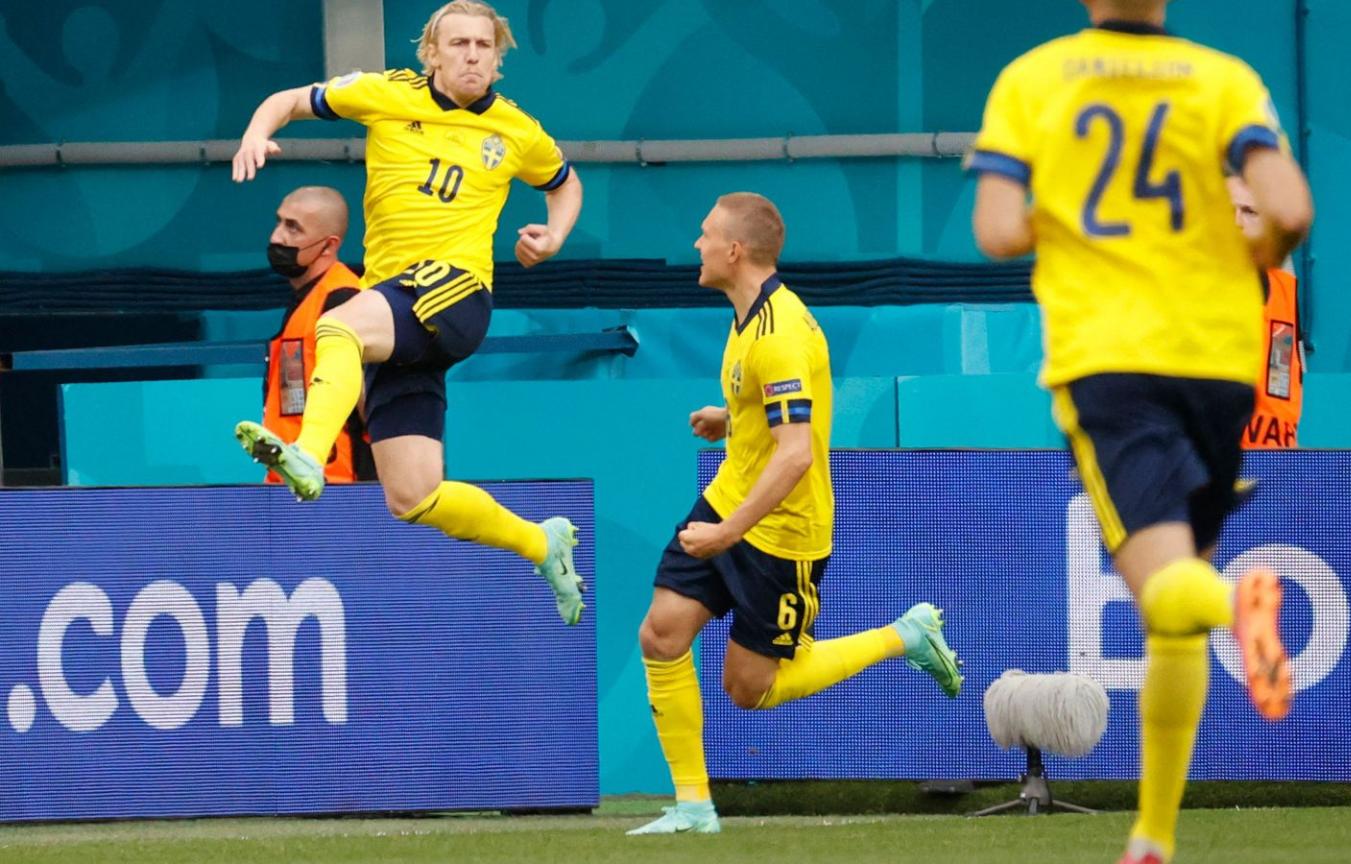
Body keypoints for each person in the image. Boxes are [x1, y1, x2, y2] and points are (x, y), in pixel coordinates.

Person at [968, 2, 1313, 862]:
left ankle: (1243, 602)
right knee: (1175, 611)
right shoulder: (1225, 79)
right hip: (1221, 361)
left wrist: (1081, 220)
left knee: (1169, 589)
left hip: (1112, 362)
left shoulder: (1033, 77)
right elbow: (1291, 213)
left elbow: (998, 230)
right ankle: (1153, 837)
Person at [229, 1, 586, 625]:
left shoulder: (516, 130)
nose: (472, 54)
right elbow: (288, 99)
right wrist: (257, 131)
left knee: (337, 325)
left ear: (498, 59)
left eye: (484, 45)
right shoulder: (385, 93)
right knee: (413, 496)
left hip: (456, 292)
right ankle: (542, 542)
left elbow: (564, 182)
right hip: (402, 309)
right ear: (433, 53)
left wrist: (554, 236)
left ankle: (308, 452)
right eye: (459, 44)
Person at [627, 193, 964, 836]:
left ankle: (905, 636)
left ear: (734, 251)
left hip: (780, 535)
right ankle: (694, 807)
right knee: (661, 634)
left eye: (704, 235)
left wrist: (728, 533)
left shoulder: (780, 332)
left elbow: (796, 457)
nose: (694, 246)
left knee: (748, 690)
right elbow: (783, 411)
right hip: (729, 497)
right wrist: (732, 416)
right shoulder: (750, 314)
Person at [262, 186, 374, 485]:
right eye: (279, 222)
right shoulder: (306, 299)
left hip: (339, 485)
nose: (277, 237)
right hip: (293, 483)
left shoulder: (345, 301)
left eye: (293, 229)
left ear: (328, 246)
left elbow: (370, 402)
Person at [1229, 176, 1304, 450]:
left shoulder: (1284, 294)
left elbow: (1283, 402)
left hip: (1277, 472)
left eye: (1249, 212)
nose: (1236, 222)